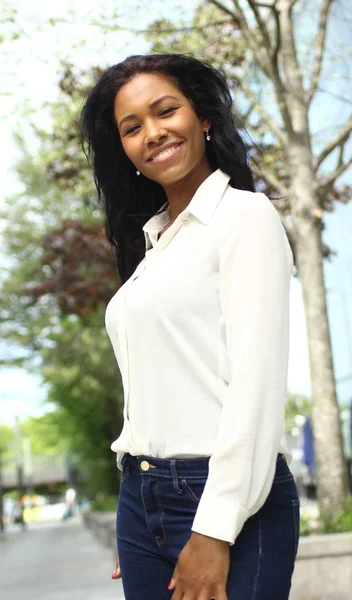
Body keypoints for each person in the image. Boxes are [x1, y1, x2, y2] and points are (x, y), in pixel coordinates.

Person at [80, 53, 299, 600]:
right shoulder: (155, 245)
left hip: (226, 499)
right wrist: (141, 512)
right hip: (141, 495)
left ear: (202, 116)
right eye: (132, 128)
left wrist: (212, 528)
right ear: (124, 150)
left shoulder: (245, 218)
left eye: (165, 111)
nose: (152, 134)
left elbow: (255, 386)